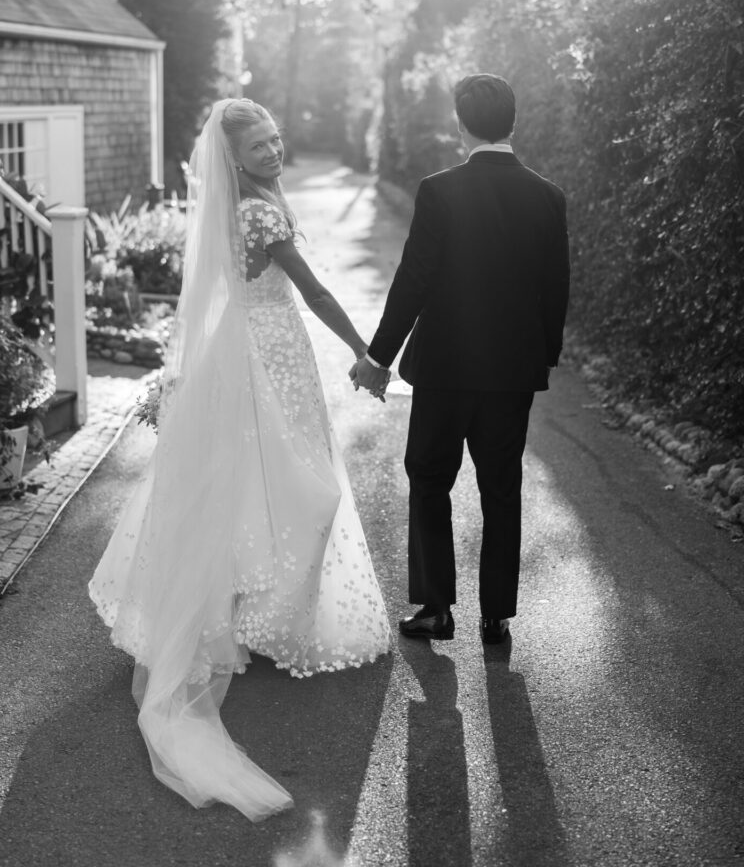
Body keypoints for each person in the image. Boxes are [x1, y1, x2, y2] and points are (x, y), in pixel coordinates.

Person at [89, 98, 390, 818]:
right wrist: (367, 352)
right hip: (270, 354)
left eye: (276, 139)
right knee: (296, 486)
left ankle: (242, 614)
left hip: (242, 348)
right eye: (259, 146)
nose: (274, 151)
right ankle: (266, 616)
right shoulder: (258, 213)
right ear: (234, 158)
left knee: (246, 483)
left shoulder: (234, 207)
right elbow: (315, 292)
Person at [351, 73, 569, 645]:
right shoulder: (548, 196)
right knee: (501, 487)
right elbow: (556, 287)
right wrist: (543, 356)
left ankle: (435, 608)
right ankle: (496, 616)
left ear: (461, 124)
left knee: (429, 478)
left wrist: (379, 356)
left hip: (444, 368)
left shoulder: (439, 190)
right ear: (513, 122)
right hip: (512, 372)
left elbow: (415, 279)